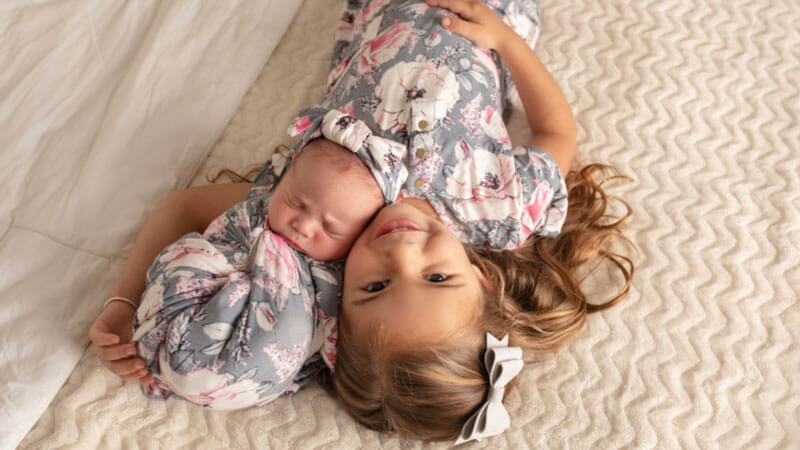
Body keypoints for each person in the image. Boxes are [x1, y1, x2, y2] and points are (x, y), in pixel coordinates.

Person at [309, 0, 635, 444]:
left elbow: (188, 209)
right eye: (437, 276)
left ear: (337, 300)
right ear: (481, 278)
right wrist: (506, 40)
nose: (402, 254)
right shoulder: (500, 210)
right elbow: (556, 134)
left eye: (375, 287)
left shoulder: (324, 211)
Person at [89, 117, 409, 407]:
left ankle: (184, 365)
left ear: (358, 238)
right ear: (281, 181)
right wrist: (123, 305)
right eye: (294, 202)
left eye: (331, 228)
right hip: (210, 282)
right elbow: (214, 235)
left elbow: (337, 341)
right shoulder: (258, 210)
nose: (304, 225)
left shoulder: (341, 274)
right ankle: (161, 345)